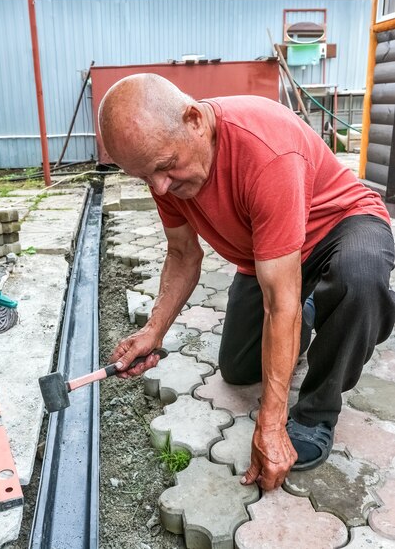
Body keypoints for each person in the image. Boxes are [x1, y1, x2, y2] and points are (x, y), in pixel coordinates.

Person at [99, 73, 395, 491]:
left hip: (340, 227)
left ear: (194, 119)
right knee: (238, 369)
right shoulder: (163, 163)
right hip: (268, 255)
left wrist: (271, 424)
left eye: (165, 168)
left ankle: (317, 411)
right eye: (145, 176)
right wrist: (153, 331)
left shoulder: (263, 150)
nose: (160, 187)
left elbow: (279, 301)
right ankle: (311, 311)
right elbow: (183, 255)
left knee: (359, 281)